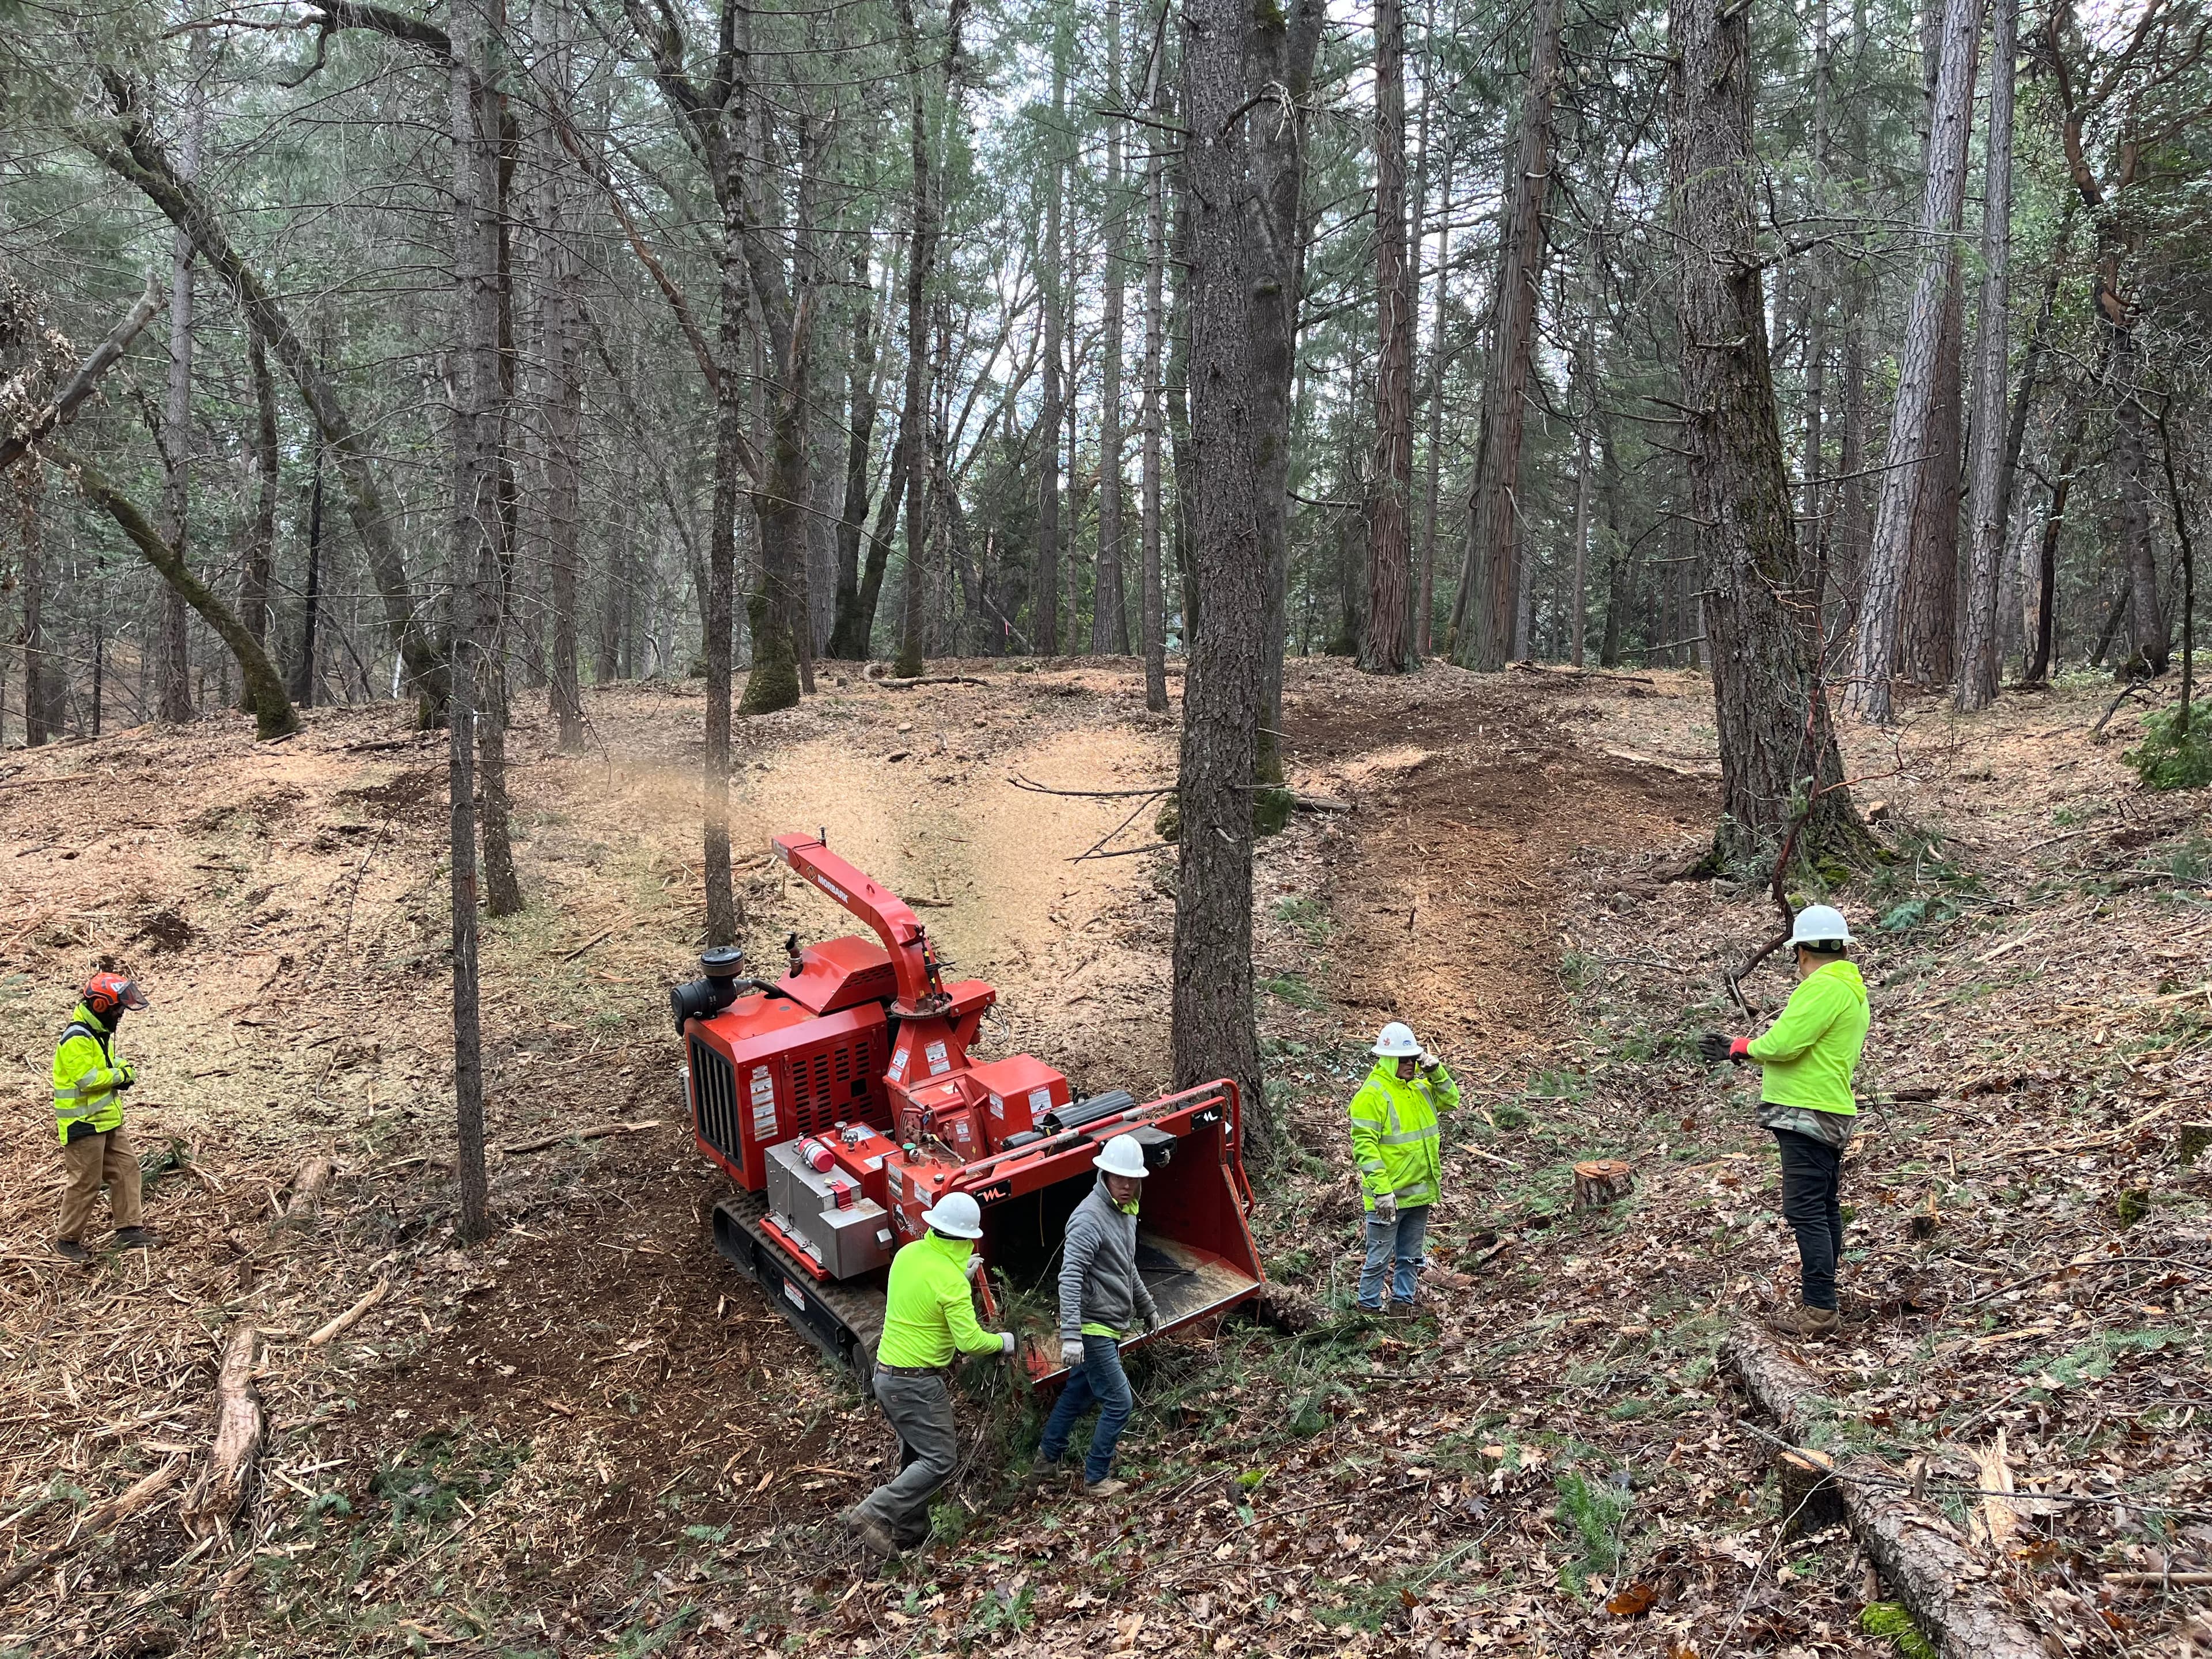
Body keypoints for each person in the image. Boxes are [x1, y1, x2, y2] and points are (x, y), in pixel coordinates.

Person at [1699, 904, 1870, 1339]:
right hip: (1826, 1108)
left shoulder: (1822, 988)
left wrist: (1740, 1046)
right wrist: (1743, 1050)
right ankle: (1823, 1297)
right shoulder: (1849, 988)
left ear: (1802, 953)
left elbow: (1786, 1044)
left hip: (1806, 1111)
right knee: (1823, 1205)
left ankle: (1819, 1311)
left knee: (1805, 1209)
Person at [843, 1191, 1015, 1557]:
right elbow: (970, 1341)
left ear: (935, 1227)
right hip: (917, 1382)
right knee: (939, 1460)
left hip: (886, 1375)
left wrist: (956, 1276)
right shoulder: (950, 1282)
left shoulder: (908, 1255)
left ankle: (908, 1532)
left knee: (916, 1453)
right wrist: (1004, 1342)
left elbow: (925, 1297)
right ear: (969, 1238)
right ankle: (873, 1512)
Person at [1036, 1133, 1161, 1498]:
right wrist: (1071, 1334)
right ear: (1104, 1175)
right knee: (1120, 1402)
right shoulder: (1089, 1219)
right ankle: (1096, 1478)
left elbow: (1126, 1266)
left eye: (1132, 1179)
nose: (1126, 1186)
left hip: (1109, 1322)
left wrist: (1147, 1306)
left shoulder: (1126, 1214)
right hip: (1093, 1327)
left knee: (1078, 1393)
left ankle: (1045, 1462)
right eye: (1119, 1178)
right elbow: (1070, 1276)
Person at [1347, 1022, 1459, 1316]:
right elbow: (1365, 1149)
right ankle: (1369, 1310)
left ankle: (1403, 1306)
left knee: (1411, 1257)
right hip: (1389, 1197)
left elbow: (1451, 1099)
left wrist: (1436, 1071)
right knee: (1378, 1259)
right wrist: (1382, 1192)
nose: (1409, 1063)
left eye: (1412, 1058)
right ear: (1387, 1058)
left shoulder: (1421, 1088)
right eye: (1403, 1058)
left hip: (1418, 1193)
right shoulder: (1371, 1096)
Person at [52, 972, 157, 1262]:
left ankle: (129, 1228)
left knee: (127, 1169)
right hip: (83, 1125)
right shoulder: (77, 1038)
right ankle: (67, 1240)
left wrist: (121, 1069)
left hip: (107, 1120)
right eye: (117, 1008)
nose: (121, 1013)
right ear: (100, 1006)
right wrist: (121, 1075)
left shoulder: (98, 1033)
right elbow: (87, 1079)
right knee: (86, 1181)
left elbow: (106, 1064)